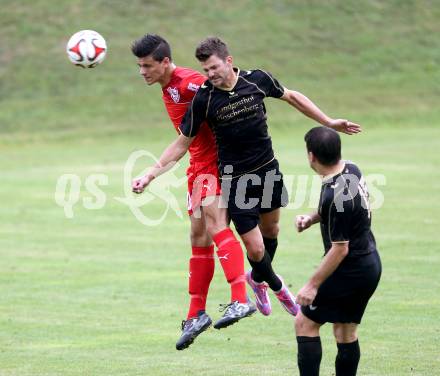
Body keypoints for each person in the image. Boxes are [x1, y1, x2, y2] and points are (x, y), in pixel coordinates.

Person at [132, 36, 361, 320]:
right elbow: (182, 142)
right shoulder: (205, 97)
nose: (211, 74)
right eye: (206, 70)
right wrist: (152, 173)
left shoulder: (257, 80)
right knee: (254, 248)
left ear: (229, 61)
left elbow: (292, 96)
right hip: (235, 181)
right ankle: (276, 286)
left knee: (271, 235)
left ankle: (257, 279)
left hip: (267, 171)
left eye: (215, 67)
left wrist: (328, 121)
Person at [130, 34, 255, 351]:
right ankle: (196, 314)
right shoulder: (168, 87)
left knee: (216, 226)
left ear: (165, 62)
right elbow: (185, 141)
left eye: (147, 65)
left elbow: (222, 96)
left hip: (214, 163)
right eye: (139, 66)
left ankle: (240, 298)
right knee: (198, 238)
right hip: (197, 166)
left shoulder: (189, 83)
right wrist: (152, 174)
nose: (142, 71)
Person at [294, 127, 382, 376]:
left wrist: (312, 285)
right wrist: (311, 219)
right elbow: (334, 210)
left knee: (305, 323)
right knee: (345, 332)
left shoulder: (336, 195)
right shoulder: (350, 169)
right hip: (369, 264)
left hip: (349, 268)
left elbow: (339, 250)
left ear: (311, 156)